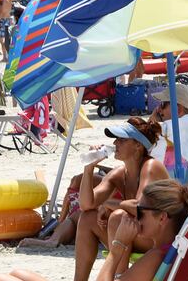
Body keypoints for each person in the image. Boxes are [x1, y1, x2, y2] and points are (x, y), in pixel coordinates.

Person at [0, 179, 188, 281]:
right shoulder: (171, 251)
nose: (134, 214)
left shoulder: (157, 256)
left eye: (140, 210)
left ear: (162, 217)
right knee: (16, 274)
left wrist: (118, 247)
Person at [74, 117, 168, 281]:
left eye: (122, 140)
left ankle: (119, 276)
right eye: (116, 139)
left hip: (158, 238)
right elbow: (86, 204)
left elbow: (140, 207)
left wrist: (109, 204)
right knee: (87, 218)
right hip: (139, 234)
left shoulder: (151, 166)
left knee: (118, 216)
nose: (115, 143)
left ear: (138, 146)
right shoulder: (119, 173)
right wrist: (89, 168)